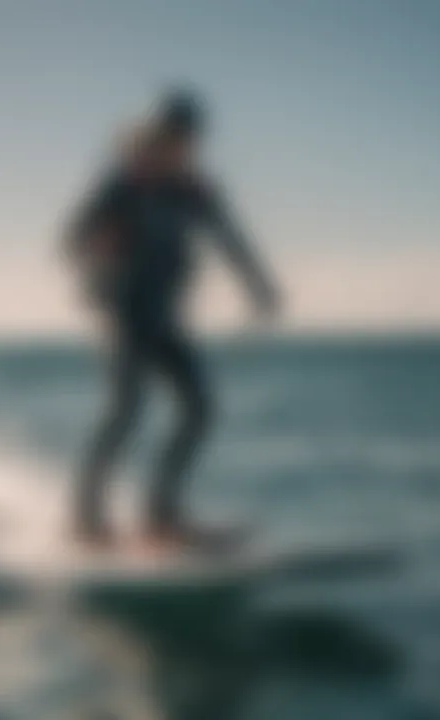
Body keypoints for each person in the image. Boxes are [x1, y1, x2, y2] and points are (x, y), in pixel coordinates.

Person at [64, 88, 282, 551]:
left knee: (199, 409)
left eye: (186, 140)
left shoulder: (195, 193)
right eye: (170, 137)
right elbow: (73, 237)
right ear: (153, 136)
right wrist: (96, 257)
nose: (179, 147)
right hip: (122, 315)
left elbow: (231, 240)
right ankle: (85, 521)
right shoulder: (123, 184)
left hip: (163, 320)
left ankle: (160, 517)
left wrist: (259, 286)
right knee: (126, 412)